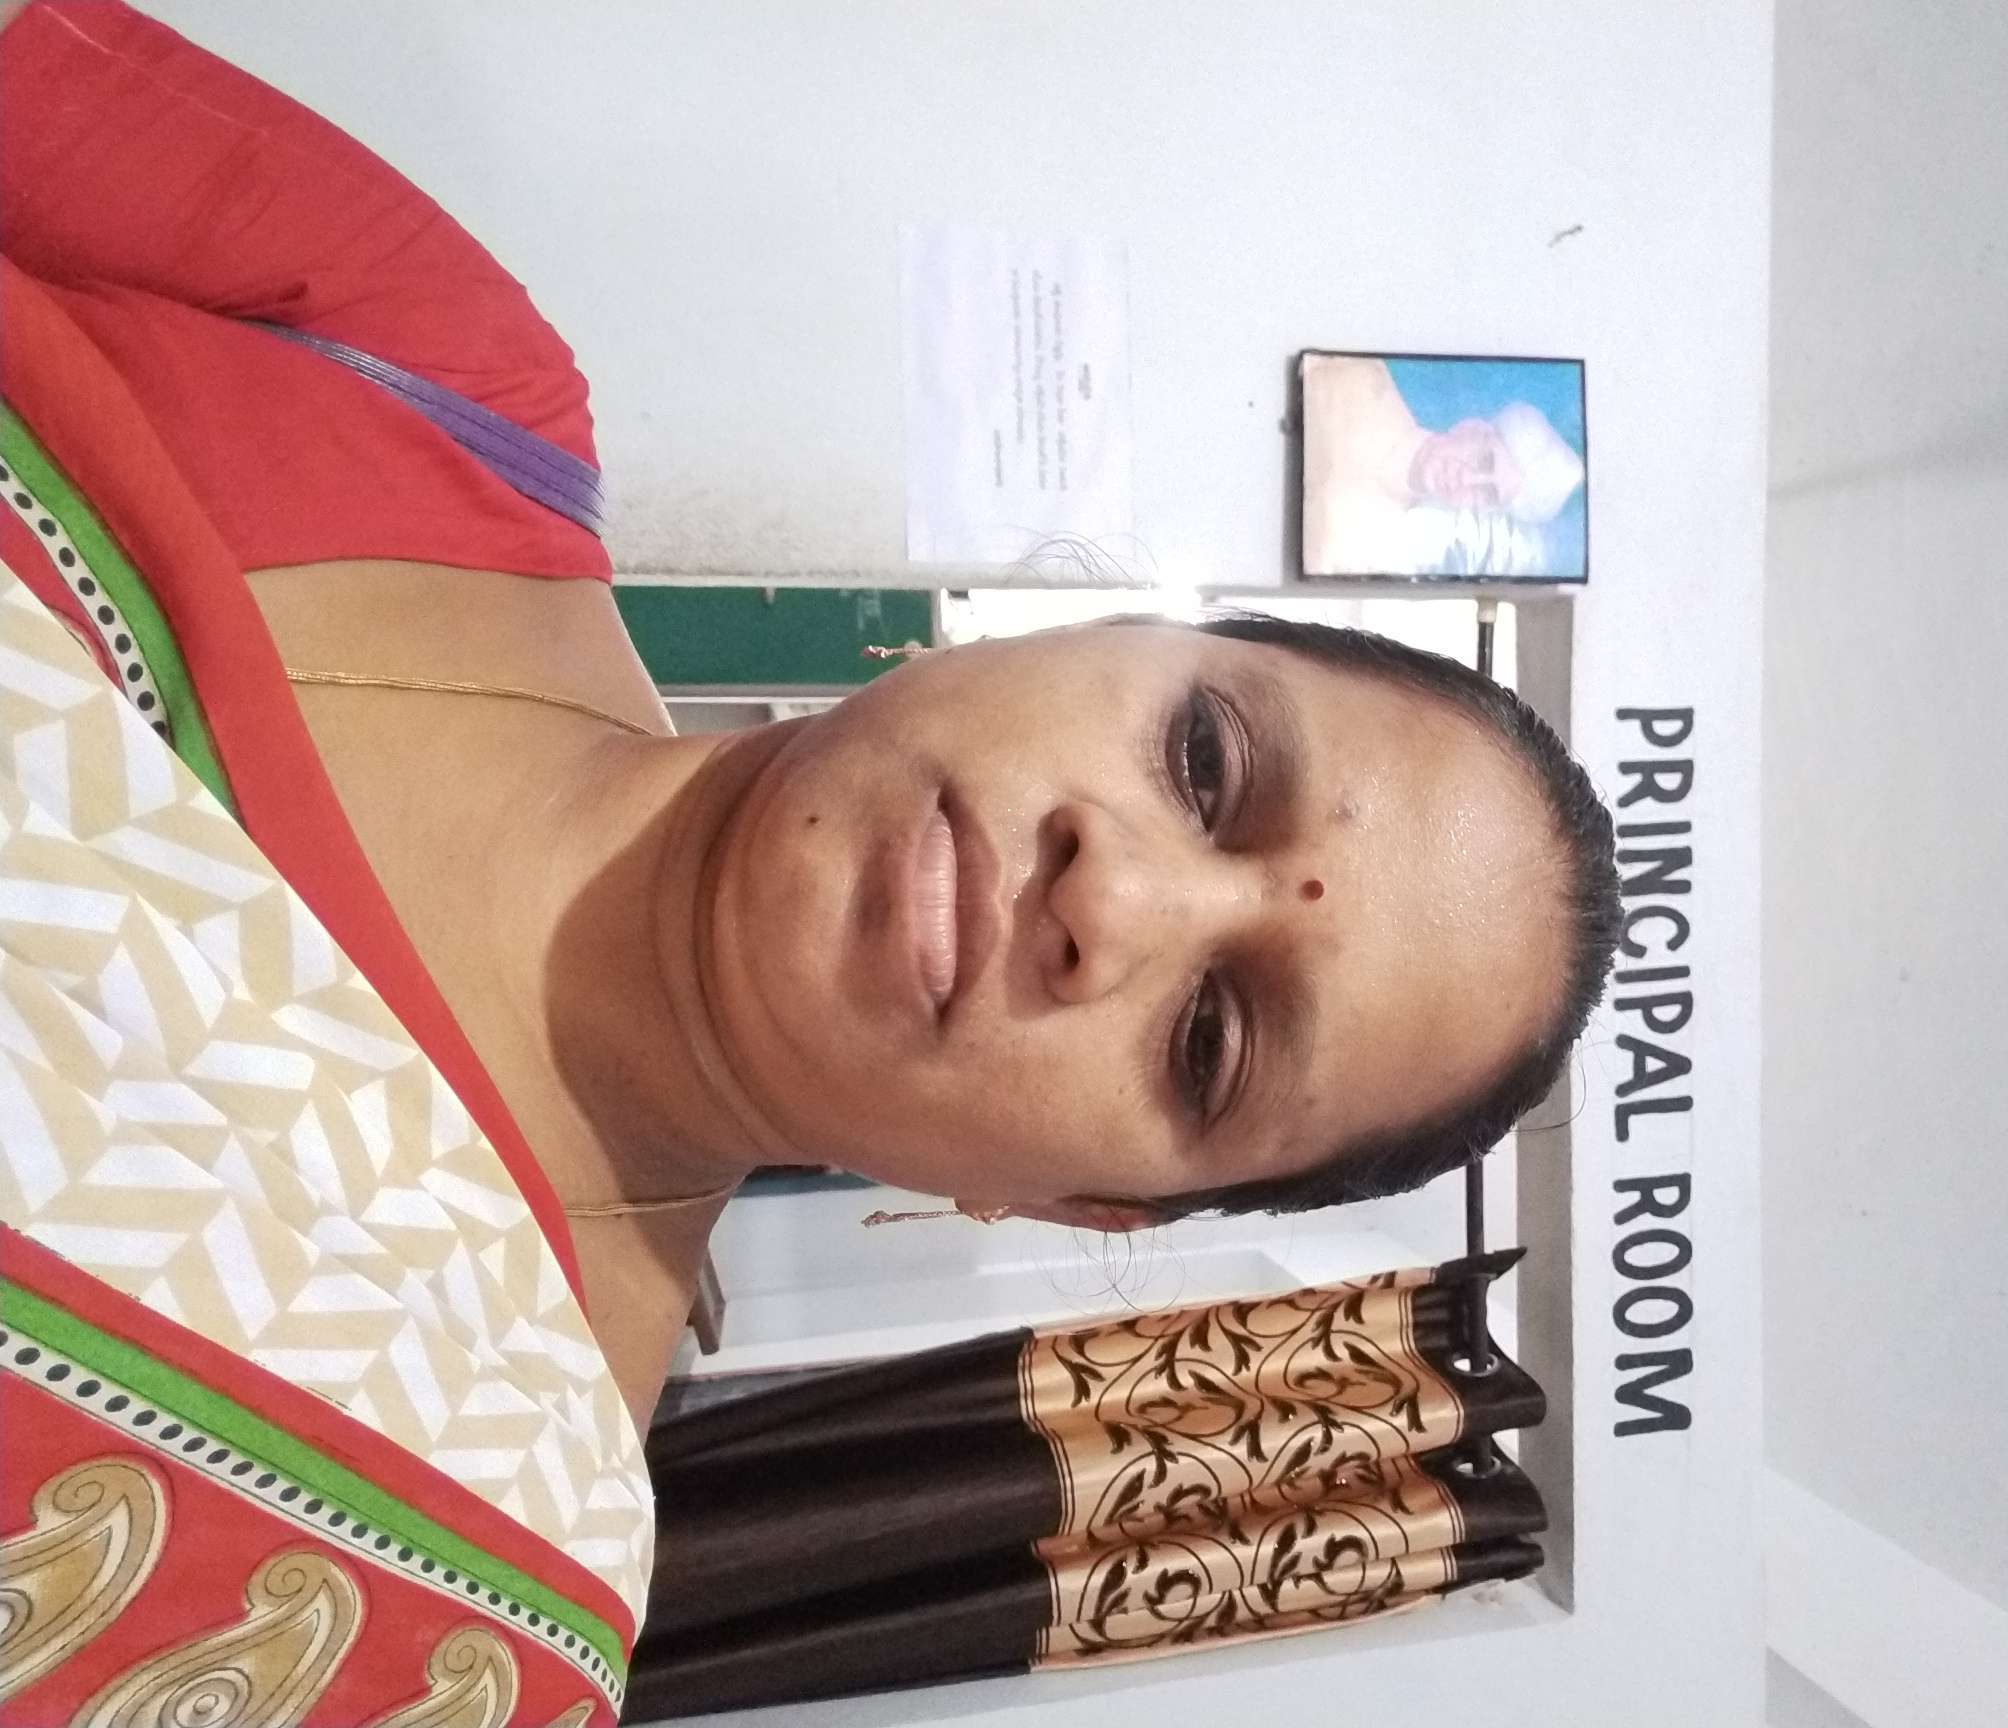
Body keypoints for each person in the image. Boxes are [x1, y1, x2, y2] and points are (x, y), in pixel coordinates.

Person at [0, 4, 1620, 1721]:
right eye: (1204, 761)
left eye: (1208, 1038)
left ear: (1072, 1207)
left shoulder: (448, 1601)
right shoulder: (431, 372)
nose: (1114, 900)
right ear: (1088, 628)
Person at [1299, 351, 1586, 576]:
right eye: (1483, 461)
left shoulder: (1374, 550)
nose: (1468, 480)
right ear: (1471, 428)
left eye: (1488, 494)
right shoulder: (1363, 381)